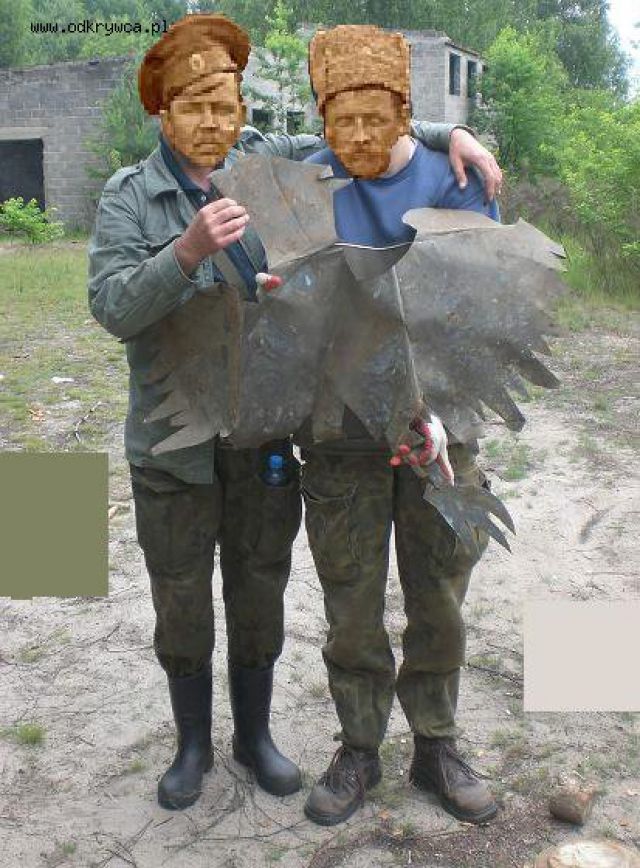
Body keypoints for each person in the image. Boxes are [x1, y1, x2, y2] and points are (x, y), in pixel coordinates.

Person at [87, 13, 503, 812]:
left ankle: (402, 745)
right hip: (232, 433)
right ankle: (253, 747)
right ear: (162, 111)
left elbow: (474, 300)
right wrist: (188, 251)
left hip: (317, 430)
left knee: (315, 590)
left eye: (224, 104)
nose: (211, 120)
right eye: (193, 105)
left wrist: (455, 131)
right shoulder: (156, 193)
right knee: (253, 599)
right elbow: (111, 307)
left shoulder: (278, 164)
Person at [299, 25, 500, 827]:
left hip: (438, 429)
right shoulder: (306, 181)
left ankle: (436, 744)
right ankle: (358, 746)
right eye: (338, 119)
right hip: (341, 429)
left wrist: (437, 412)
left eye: (374, 118)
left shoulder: (456, 181)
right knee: (350, 599)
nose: (355, 135)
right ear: (320, 119)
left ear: (406, 111)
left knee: (439, 593)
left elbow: (476, 313)